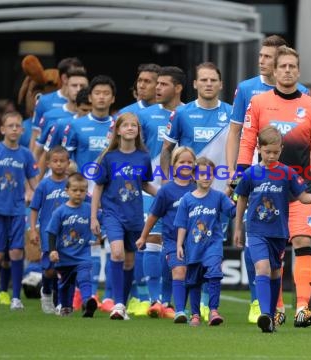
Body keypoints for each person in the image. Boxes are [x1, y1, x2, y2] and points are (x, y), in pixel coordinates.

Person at [236, 45, 311, 328]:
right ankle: (277, 308)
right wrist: (239, 173)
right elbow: (248, 140)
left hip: (299, 190)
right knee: (276, 252)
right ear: (273, 71)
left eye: (292, 67)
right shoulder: (259, 102)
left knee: (302, 242)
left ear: (298, 71)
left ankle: (303, 308)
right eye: (282, 66)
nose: (287, 71)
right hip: (267, 192)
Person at [234, 126, 311, 333]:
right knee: (263, 268)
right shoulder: (251, 173)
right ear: (259, 149)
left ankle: (271, 317)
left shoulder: (287, 173)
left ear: (281, 150)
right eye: (267, 152)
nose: (271, 156)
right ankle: (266, 315)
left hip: (278, 231)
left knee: (276, 271)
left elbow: (302, 197)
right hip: (256, 230)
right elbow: (241, 199)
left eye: (276, 152)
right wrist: (238, 228)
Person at [91, 113, 158, 320]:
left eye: (134, 126)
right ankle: (118, 305)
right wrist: (94, 217)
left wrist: (164, 196)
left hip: (135, 216)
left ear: (138, 131)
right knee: (117, 254)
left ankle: (123, 302)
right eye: (126, 125)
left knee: (129, 262)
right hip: (112, 214)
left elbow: (145, 184)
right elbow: (98, 188)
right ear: (117, 130)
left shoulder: (143, 157)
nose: (130, 128)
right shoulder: (108, 157)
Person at [135, 66, 185, 318]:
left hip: (181, 190)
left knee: (171, 242)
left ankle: (168, 300)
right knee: (153, 240)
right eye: (157, 84)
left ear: (177, 88)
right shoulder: (143, 116)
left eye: (163, 84)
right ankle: (152, 299)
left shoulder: (187, 112)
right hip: (150, 186)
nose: (157, 88)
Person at [0, 111, 39, 309]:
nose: (14, 129)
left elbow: (34, 182)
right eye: (10, 126)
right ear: (2, 129)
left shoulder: (26, 154)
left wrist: (35, 193)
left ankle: (15, 298)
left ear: (22, 130)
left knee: (16, 253)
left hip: (17, 210)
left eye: (17, 126)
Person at [136, 146, 197, 323]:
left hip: (193, 242)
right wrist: (143, 236)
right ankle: (174, 309)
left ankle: (182, 306)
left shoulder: (197, 189)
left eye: (189, 162)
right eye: (181, 162)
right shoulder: (166, 190)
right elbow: (154, 215)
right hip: (171, 240)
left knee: (189, 275)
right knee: (178, 271)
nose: (185, 165)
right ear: (173, 165)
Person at [175, 157, 236, 326]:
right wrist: (179, 244)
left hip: (213, 245)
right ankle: (195, 314)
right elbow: (181, 224)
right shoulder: (187, 199)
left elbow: (232, 212)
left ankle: (213, 310)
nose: (206, 177)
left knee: (215, 273)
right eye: (202, 174)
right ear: (194, 176)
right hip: (193, 247)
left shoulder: (218, 197)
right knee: (194, 281)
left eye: (209, 174)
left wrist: (240, 195)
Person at [46, 172, 98, 318]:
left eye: (82, 191)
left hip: (83, 254)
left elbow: (101, 219)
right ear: (67, 190)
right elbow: (51, 232)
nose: (78, 194)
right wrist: (52, 250)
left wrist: (102, 234)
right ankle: (66, 307)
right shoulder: (60, 211)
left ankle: (87, 301)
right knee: (65, 284)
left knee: (84, 276)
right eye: (75, 190)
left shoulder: (89, 209)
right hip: (64, 257)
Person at [29, 146, 72, 314]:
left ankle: (62, 302)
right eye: (55, 161)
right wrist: (33, 230)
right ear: (47, 163)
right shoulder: (43, 185)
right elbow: (34, 208)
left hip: (68, 234)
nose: (59, 164)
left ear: (68, 163)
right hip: (49, 233)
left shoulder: (72, 184)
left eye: (62, 161)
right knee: (50, 269)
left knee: (65, 268)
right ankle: (46, 292)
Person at [33, 69, 88, 176]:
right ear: (66, 86)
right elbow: (40, 152)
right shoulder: (50, 117)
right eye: (74, 85)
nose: (78, 89)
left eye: (82, 86)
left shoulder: (100, 121)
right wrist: (34, 184)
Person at [30, 57, 85, 150]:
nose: (80, 77)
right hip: (52, 158)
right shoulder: (44, 101)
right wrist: (33, 163)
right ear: (64, 78)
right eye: (75, 74)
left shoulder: (88, 102)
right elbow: (36, 135)